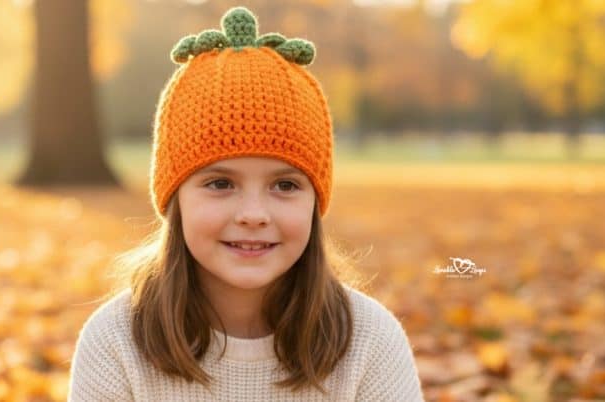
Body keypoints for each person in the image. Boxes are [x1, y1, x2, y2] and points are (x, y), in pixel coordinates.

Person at [68, 6, 423, 401]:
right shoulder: (115, 342)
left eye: (285, 185)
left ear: (315, 201)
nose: (253, 215)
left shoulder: (369, 341)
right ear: (175, 198)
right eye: (220, 183)